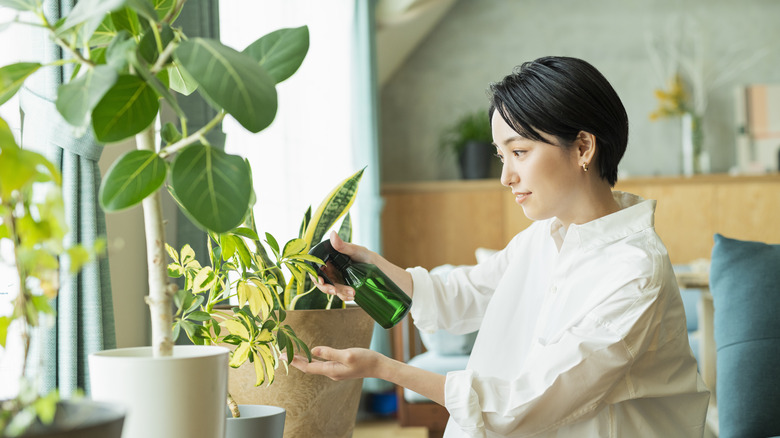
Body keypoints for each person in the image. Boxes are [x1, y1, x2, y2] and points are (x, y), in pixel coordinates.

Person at [291, 56, 710, 437]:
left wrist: (383, 368)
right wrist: (373, 269)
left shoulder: (635, 272)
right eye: (501, 156)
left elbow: (528, 401)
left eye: (520, 152)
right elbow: (463, 295)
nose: (506, 176)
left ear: (583, 147)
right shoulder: (545, 237)